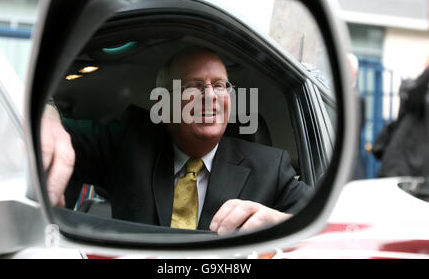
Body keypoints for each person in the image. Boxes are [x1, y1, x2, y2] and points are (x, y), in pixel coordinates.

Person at [42, 46, 313, 234]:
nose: (210, 96)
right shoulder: (128, 140)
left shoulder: (270, 167)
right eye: (194, 86)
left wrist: (281, 222)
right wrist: (47, 112)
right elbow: (58, 136)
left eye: (219, 86)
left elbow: (324, 222)